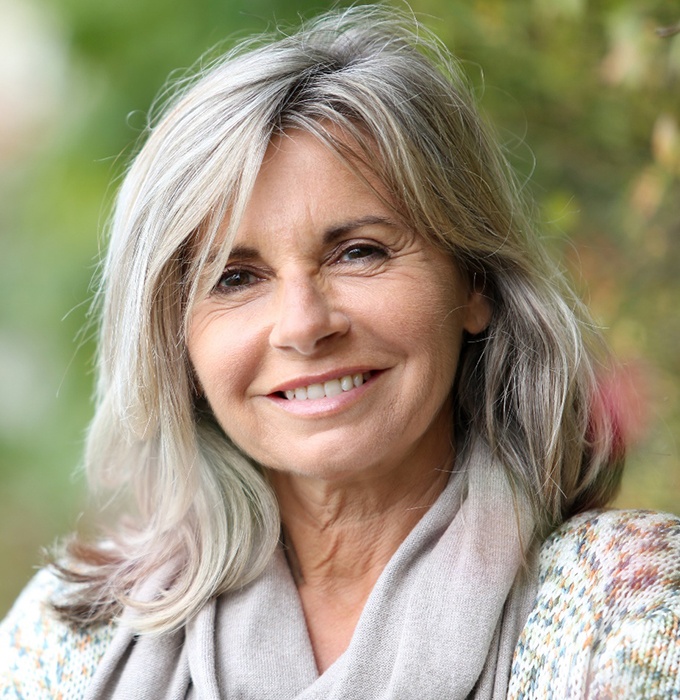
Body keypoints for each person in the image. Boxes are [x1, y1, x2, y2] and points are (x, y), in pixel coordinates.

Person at [1, 6, 679, 699]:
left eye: (359, 252)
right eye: (235, 278)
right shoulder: (64, 641)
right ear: (175, 343)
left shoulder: (631, 604)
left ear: (474, 279)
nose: (303, 324)